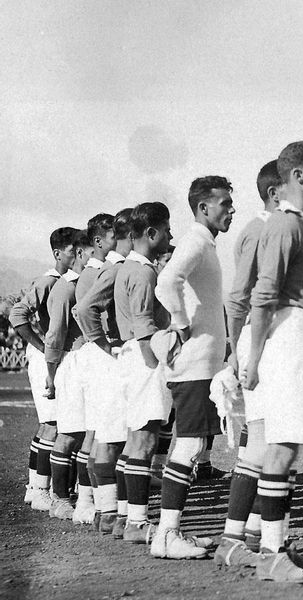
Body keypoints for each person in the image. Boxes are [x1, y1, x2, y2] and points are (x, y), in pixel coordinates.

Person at [242, 141, 303, 582]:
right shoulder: (283, 226)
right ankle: (270, 555)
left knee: (292, 445)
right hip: (288, 337)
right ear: (297, 176)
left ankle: (277, 546)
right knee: (280, 446)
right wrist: (254, 358)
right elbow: (262, 295)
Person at [152, 176, 235, 559]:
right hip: (194, 363)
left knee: (196, 443)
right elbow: (166, 282)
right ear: (204, 207)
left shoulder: (206, 243)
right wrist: (181, 324)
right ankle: (166, 535)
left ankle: (171, 532)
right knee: (188, 442)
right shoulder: (196, 240)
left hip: (204, 362)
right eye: (224, 204)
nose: (231, 210)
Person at [215, 160, 284, 570]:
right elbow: (238, 297)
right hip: (262, 348)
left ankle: (255, 534)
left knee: (274, 443)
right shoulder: (259, 231)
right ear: (277, 192)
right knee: (262, 444)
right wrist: (238, 352)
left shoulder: (279, 231)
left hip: (276, 349)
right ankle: (236, 538)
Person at [110, 202, 175, 547]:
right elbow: (144, 324)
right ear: (151, 233)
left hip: (131, 354)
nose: (171, 236)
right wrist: (156, 362)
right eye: (166, 230)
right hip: (144, 355)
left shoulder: (127, 267)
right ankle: (136, 520)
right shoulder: (144, 271)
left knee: (136, 438)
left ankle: (124, 516)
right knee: (146, 439)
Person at [10, 226, 78, 510]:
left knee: (51, 422)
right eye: (74, 250)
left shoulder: (68, 280)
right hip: (45, 355)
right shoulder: (49, 281)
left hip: (53, 352)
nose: (78, 254)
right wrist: (40, 346)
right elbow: (18, 315)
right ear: (58, 253)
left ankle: (36, 485)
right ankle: (39, 489)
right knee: (52, 423)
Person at [78, 208, 135, 534]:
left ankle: (104, 511)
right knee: (113, 437)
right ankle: (111, 513)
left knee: (105, 435)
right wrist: (104, 344)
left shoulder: (114, 266)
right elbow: (84, 308)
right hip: (111, 360)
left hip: (106, 360)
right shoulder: (116, 268)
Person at [42, 228, 91, 520]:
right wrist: (51, 374)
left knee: (88, 432)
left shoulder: (87, 283)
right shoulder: (65, 288)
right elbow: (55, 336)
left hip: (88, 364)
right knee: (69, 433)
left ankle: (80, 494)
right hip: (70, 363)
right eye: (76, 252)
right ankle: (58, 498)